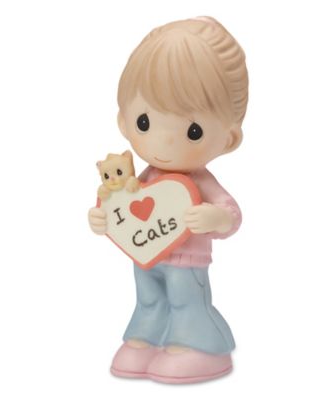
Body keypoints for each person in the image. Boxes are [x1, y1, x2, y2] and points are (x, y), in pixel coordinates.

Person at [88, 16, 248, 384]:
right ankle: (146, 338)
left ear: (228, 138)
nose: (163, 142)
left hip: (186, 260)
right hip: (145, 253)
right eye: (144, 123)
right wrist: (102, 218)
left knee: (185, 298)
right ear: (124, 121)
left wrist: (215, 219)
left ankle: (198, 345)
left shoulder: (200, 182)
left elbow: (231, 213)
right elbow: (122, 207)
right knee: (148, 296)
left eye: (193, 131)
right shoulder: (141, 180)